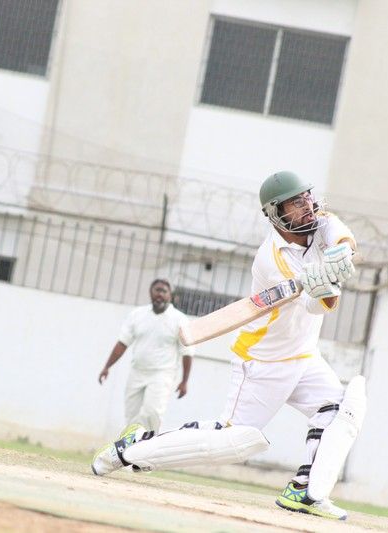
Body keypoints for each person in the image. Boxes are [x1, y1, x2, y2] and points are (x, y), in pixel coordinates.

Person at [90, 171, 365, 521]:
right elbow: (315, 304)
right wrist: (327, 286)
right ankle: (135, 446)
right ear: (276, 213)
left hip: (306, 354)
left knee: (342, 408)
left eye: (307, 197)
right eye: (296, 202)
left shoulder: (318, 223)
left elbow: (336, 230)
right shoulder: (272, 260)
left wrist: (341, 252)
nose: (307, 206)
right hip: (265, 360)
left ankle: (305, 491)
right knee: (234, 441)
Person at [97, 279, 194, 433]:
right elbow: (122, 343)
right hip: (137, 372)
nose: (160, 294)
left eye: (164, 291)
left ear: (170, 295)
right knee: (132, 416)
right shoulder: (137, 315)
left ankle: (149, 445)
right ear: (150, 293)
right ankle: (129, 447)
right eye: (157, 290)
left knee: (152, 413)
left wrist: (184, 381)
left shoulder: (179, 319)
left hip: (162, 374)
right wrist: (107, 367)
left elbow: (187, 353)